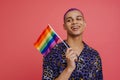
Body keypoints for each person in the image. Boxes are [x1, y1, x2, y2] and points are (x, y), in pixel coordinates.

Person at [42, 8, 103, 80]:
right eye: (69, 20)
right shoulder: (52, 52)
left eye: (78, 19)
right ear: (64, 26)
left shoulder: (94, 55)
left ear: (84, 24)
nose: (74, 22)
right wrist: (69, 68)